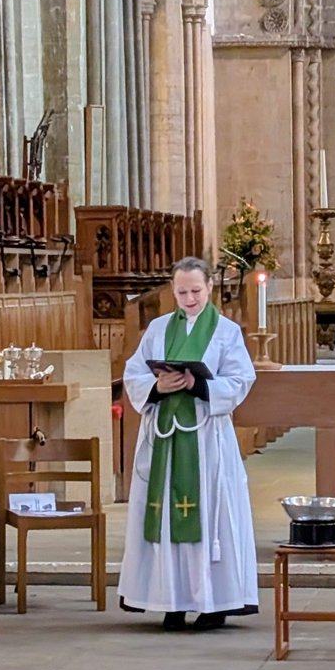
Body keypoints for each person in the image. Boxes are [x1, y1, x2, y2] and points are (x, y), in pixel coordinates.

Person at [118, 256, 258, 631]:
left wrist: (199, 385)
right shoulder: (159, 329)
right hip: (165, 436)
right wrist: (157, 386)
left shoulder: (226, 332)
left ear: (210, 287)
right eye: (182, 292)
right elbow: (133, 373)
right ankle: (172, 600)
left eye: (196, 291)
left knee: (210, 513)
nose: (189, 298)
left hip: (205, 440)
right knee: (163, 514)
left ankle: (213, 603)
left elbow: (242, 379)